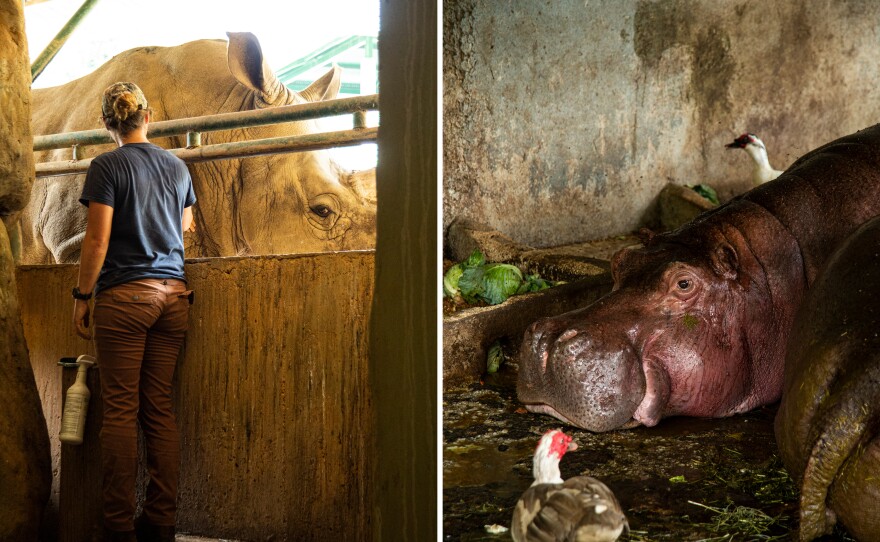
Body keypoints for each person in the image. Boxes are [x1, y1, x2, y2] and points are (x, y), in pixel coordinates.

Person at [72, 81, 196, 542]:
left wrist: (83, 296)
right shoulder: (177, 167)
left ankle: (118, 528)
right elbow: (185, 228)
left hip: (126, 299)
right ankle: (161, 521)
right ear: (148, 117)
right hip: (174, 297)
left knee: (121, 411)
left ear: (108, 125)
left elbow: (98, 239)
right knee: (158, 408)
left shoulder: (106, 166)